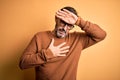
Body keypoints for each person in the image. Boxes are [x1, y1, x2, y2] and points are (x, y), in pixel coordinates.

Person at [19, 6, 106, 80]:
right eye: (63, 22)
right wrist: (48, 54)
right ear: (56, 19)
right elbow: (23, 64)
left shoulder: (78, 39)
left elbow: (101, 35)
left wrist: (79, 22)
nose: (65, 28)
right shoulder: (39, 37)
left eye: (70, 25)